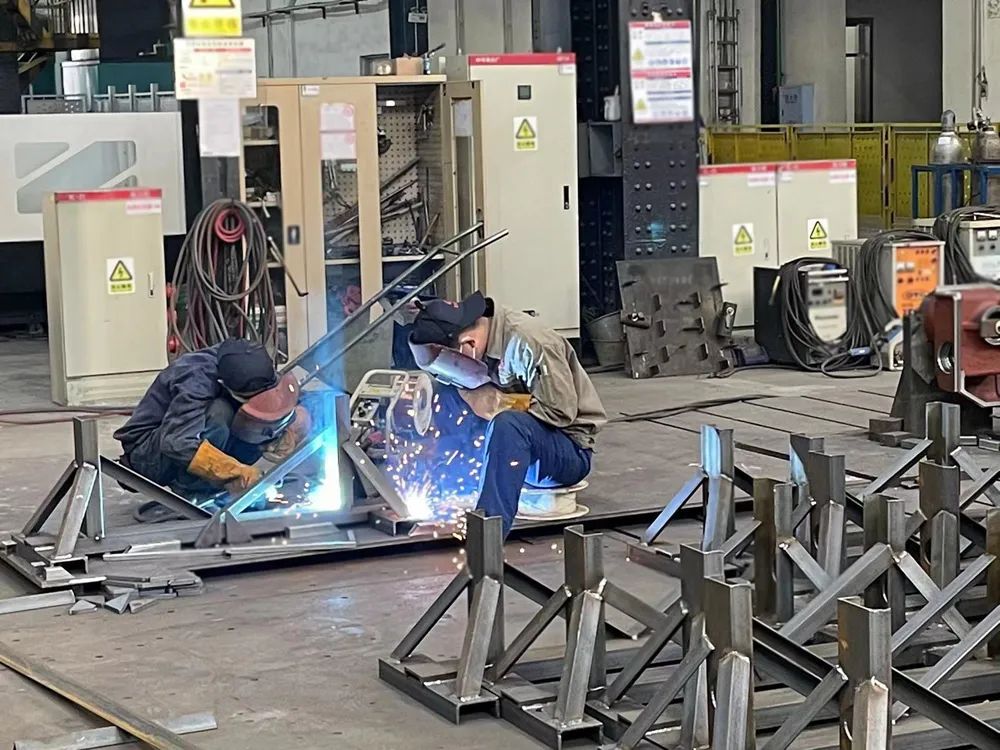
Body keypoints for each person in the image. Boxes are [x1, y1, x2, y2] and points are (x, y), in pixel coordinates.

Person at [408, 292, 607, 536]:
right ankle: (444, 496)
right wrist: (471, 395)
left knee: (508, 425)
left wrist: (498, 403)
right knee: (446, 396)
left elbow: (560, 412)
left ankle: (487, 535)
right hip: (522, 443)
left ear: (469, 345)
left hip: (567, 451)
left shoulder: (530, 343)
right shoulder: (481, 341)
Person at [115, 339, 308, 497]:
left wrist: (287, 428)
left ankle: (215, 486)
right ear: (223, 383)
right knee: (220, 412)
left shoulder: (252, 363)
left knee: (253, 418)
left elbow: (287, 399)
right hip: (147, 455)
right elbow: (176, 442)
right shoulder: (195, 380)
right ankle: (194, 492)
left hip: (175, 441)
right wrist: (236, 471)